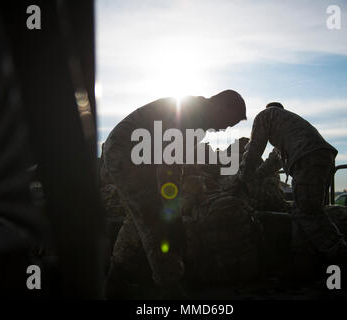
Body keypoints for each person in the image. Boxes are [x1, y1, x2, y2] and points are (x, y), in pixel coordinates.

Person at [103, 90, 246, 298]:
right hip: (126, 151)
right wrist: (173, 217)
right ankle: (171, 287)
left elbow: (175, 166)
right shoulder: (190, 117)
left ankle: (116, 279)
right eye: (228, 122)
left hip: (137, 153)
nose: (224, 129)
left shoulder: (197, 118)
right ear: (221, 106)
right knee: (155, 219)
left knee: (139, 218)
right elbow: (168, 169)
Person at [236, 102, 347, 284]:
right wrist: (255, 177)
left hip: (308, 160)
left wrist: (242, 178)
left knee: (310, 215)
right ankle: (301, 269)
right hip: (320, 158)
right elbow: (273, 162)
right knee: (299, 214)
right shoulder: (290, 132)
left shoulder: (265, 116)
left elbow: (254, 149)